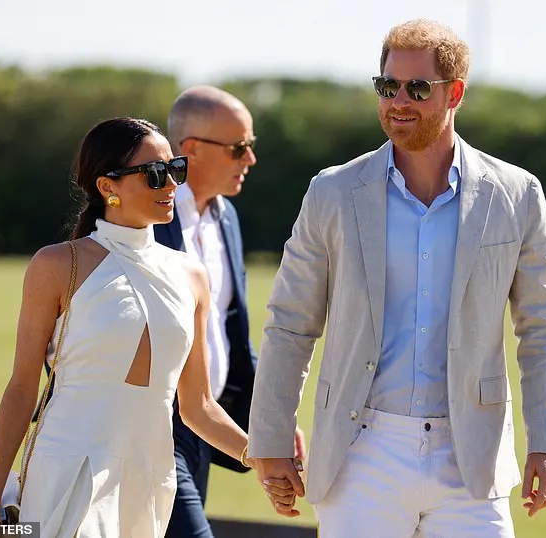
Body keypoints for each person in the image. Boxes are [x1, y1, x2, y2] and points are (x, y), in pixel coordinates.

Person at [248, 19, 546, 538]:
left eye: (417, 88)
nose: (399, 100)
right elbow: (290, 324)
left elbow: (545, 327)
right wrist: (269, 439)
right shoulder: (332, 192)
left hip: (472, 457)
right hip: (361, 452)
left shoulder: (517, 194)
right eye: (387, 86)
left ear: (455, 93)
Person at [0, 117, 257, 537]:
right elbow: (21, 389)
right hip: (66, 470)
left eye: (175, 170)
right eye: (155, 174)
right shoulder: (56, 265)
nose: (171, 186)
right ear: (108, 187)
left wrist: (263, 457)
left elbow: (197, 407)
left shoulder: (192, 275)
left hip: (149, 475)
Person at [154, 85, 306, 537]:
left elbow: (235, 334)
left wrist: (273, 419)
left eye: (250, 147)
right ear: (191, 150)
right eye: (239, 148)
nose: (250, 159)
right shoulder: (147, 217)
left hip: (207, 426)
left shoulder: (227, 218)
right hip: (153, 431)